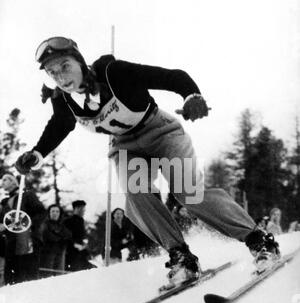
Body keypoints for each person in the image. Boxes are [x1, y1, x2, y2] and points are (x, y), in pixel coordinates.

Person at [15, 36, 281, 285]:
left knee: (187, 192)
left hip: (161, 131)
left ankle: (259, 240)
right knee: (136, 193)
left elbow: (172, 77)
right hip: (126, 146)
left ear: (80, 61)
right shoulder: (63, 99)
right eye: (53, 73)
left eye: (65, 66)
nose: (62, 76)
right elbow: (60, 125)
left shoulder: (113, 72)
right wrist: (37, 153)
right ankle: (181, 257)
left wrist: (192, 96)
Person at [0, 173, 45, 284]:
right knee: (11, 275)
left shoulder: (26, 195)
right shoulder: (5, 203)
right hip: (11, 241)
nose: (2, 182)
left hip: (27, 239)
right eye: (2, 180)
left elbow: (41, 212)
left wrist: (29, 226)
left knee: (27, 275)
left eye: (5, 179)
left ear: (13, 181)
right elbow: (5, 222)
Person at [40, 204, 71, 275]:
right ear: (49, 213)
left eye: (57, 211)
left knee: (59, 276)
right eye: (53, 211)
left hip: (60, 254)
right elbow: (49, 236)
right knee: (47, 275)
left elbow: (68, 235)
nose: (55, 213)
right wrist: (61, 237)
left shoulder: (61, 225)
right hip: (47, 254)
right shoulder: (44, 224)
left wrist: (61, 237)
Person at [64, 200, 94, 271]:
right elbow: (66, 236)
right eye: (82, 209)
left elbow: (82, 235)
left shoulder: (81, 220)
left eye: (84, 209)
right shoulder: (68, 221)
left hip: (81, 251)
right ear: (76, 209)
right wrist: (74, 244)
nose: (83, 211)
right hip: (71, 252)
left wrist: (84, 244)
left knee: (91, 269)